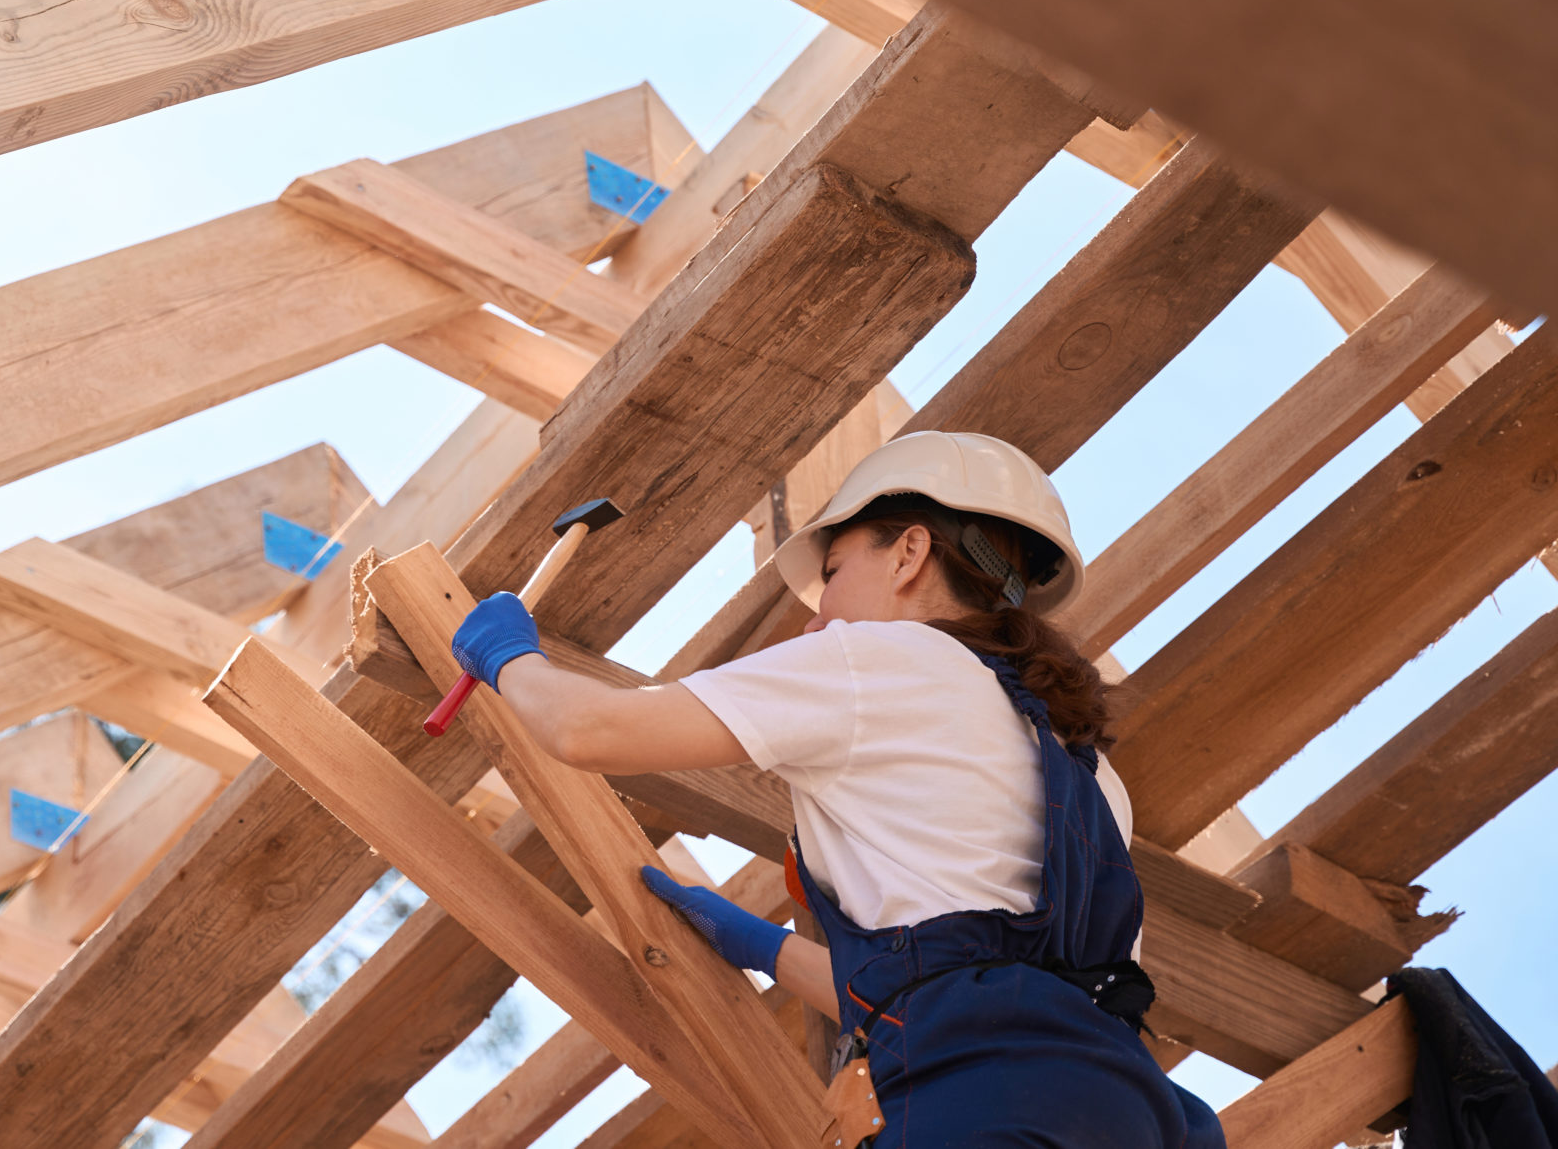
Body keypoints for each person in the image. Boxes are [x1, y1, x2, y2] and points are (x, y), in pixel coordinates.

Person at [447, 430, 1224, 1149]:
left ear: (909, 552)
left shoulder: (875, 658)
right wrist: (768, 948)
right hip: (1127, 1111)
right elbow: (988, 986)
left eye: (833, 573)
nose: (819, 616)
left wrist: (510, 656)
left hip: (982, 1106)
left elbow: (593, 732)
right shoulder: (1083, 767)